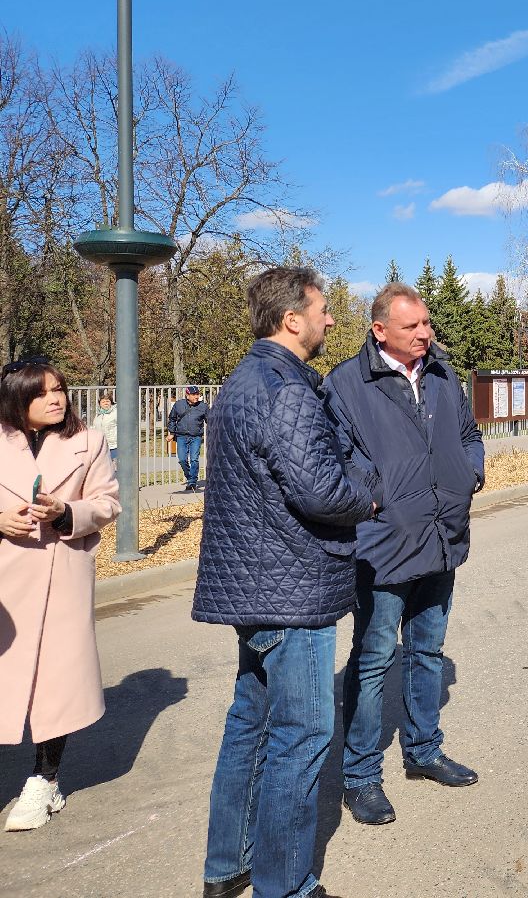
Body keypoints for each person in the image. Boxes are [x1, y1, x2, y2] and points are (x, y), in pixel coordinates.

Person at [193, 267, 374, 898]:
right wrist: (370, 496)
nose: (330, 320)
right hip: (291, 590)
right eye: (322, 310)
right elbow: (321, 489)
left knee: (250, 723)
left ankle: (230, 863)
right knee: (301, 738)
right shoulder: (284, 388)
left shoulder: (245, 382)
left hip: (258, 586)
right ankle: (285, 883)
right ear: (291, 319)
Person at [324, 282, 486, 827]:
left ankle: (423, 751)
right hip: (384, 545)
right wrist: (378, 501)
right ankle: (362, 776)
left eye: (426, 324)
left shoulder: (441, 375)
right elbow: (339, 459)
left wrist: (470, 475)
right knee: (372, 663)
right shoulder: (346, 384)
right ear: (379, 331)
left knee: (428, 652)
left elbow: (468, 435)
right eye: (411, 326)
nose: (424, 333)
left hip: (442, 536)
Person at [0, 357, 120, 833]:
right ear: (16, 398)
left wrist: (66, 511)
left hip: (60, 574)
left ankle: (44, 780)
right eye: (42, 392)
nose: (56, 399)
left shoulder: (87, 442)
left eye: (60, 389)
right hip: (5, 582)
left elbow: (108, 502)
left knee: (56, 683)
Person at [167, 384, 209, 492]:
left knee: (194, 459)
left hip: (196, 437)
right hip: (181, 436)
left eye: (197, 394)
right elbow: (172, 419)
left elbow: (210, 420)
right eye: (194, 394)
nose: (196, 396)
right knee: (182, 460)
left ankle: (192, 482)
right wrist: (172, 433)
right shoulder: (178, 405)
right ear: (187, 395)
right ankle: (190, 477)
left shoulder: (203, 406)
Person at [92, 393, 118, 461]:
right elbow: (95, 428)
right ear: (100, 404)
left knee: (115, 467)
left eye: (107, 401)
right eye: (103, 402)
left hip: (114, 446)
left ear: (111, 403)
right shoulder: (98, 415)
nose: (105, 403)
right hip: (101, 446)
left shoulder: (115, 413)